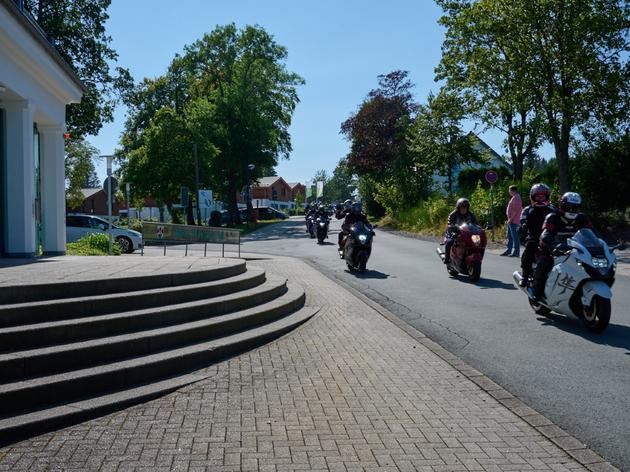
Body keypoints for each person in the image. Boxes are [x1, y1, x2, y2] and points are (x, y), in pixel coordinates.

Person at [532, 192, 593, 300]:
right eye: (568, 207)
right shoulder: (553, 217)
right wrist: (555, 245)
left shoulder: (582, 218)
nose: (572, 210)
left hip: (576, 250)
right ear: (562, 206)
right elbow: (545, 235)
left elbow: (593, 233)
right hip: (552, 249)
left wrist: (604, 244)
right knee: (544, 264)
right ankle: (536, 292)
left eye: (575, 207)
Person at [518, 183, 555, 287]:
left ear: (547, 197)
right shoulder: (528, 209)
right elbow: (522, 219)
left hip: (551, 238)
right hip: (534, 237)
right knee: (529, 249)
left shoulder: (553, 209)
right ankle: (525, 276)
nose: (540, 199)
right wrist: (524, 225)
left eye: (542, 196)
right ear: (533, 197)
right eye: (537, 197)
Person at [443, 198, 478, 265]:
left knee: (476, 243)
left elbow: (476, 224)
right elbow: (450, 223)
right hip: (455, 233)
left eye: (465, 207)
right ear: (458, 207)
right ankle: (447, 259)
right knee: (449, 242)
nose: (463, 208)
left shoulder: (471, 215)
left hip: (468, 234)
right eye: (462, 207)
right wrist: (451, 227)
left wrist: (481, 229)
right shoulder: (453, 214)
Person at [501, 185, 523, 257]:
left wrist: (510, 219)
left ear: (513, 190)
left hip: (514, 221)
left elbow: (515, 210)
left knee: (515, 237)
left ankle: (516, 252)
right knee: (510, 236)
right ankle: (509, 250)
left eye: (509, 190)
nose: (509, 192)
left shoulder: (516, 198)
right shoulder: (514, 197)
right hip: (511, 220)